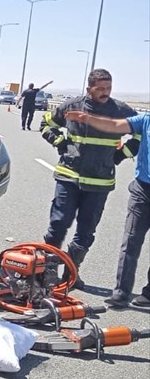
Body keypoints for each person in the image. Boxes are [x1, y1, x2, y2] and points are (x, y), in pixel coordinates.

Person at [40, 69, 137, 289]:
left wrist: (122, 154)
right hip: (69, 176)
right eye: (100, 88)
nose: (105, 92)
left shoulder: (121, 111)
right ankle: (48, 272)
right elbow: (46, 124)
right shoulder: (72, 106)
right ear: (89, 89)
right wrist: (60, 143)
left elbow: (141, 133)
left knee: (86, 231)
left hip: (100, 182)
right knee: (58, 224)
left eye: (108, 88)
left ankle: (71, 274)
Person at [65, 107, 148, 308]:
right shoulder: (146, 120)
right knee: (131, 241)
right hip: (143, 190)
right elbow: (115, 125)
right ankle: (121, 293)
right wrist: (89, 119)